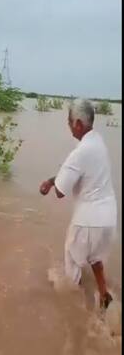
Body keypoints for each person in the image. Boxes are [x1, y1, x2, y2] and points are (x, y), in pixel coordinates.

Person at [39, 99, 116, 310]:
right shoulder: (98, 142)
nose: (68, 125)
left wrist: (53, 184)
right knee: (95, 257)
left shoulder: (79, 152)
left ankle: (76, 315)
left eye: (69, 121)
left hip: (88, 221)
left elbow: (61, 192)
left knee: (72, 262)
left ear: (79, 124)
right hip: (109, 219)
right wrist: (51, 179)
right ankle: (104, 296)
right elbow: (77, 172)